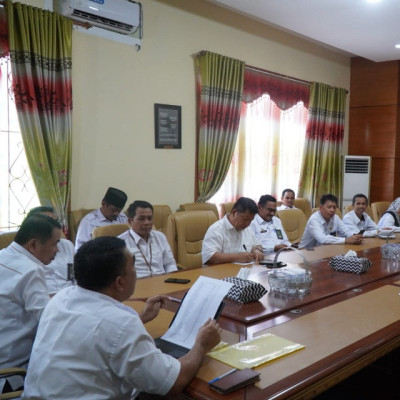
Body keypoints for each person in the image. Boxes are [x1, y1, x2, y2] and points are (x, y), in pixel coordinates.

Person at [22, 237, 221, 399]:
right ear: (119, 282)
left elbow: (94, 331)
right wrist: (201, 346)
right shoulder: (122, 323)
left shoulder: (61, 298)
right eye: (133, 267)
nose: (136, 273)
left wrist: (142, 317)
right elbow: (172, 383)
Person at [0, 214, 61, 373]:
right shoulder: (30, 270)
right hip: (12, 369)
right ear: (33, 244)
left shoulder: (3, 255)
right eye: (55, 244)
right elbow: (48, 320)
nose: (58, 250)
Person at [118, 200, 177, 278]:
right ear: (130, 221)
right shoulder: (120, 243)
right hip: (137, 285)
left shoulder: (160, 237)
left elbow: (170, 263)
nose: (147, 223)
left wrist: (173, 280)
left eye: (150, 218)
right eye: (141, 219)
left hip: (163, 282)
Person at [26, 206, 75, 295]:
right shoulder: (29, 250)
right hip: (45, 299)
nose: (57, 227)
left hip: (71, 296)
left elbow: (74, 276)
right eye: (49, 223)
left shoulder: (67, 245)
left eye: (56, 222)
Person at [202, 197, 263, 265]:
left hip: (243, 271)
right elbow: (209, 256)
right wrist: (237, 257)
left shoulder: (247, 229)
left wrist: (257, 250)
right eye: (245, 219)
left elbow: (257, 244)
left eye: (250, 221)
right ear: (234, 212)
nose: (247, 224)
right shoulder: (216, 229)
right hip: (220, 272)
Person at [299, 194, 363, 249]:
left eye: (334, 207)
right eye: (329, 207)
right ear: (321, 208)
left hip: (323, 250)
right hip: (306, 251)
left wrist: (355, 236)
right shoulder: (314, 219)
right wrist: (346, 240)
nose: (332, 210)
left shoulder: (335, 218)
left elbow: (346, 232)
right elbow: (322, 239)